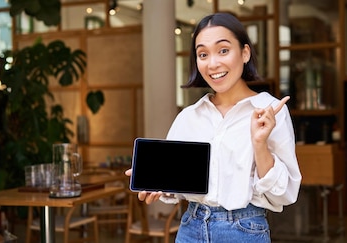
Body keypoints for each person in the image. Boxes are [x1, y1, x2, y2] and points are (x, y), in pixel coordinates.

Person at [125, 12, 301, 243]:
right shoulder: (189, 117)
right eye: (203, 54)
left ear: (245, 53)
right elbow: (179, 182)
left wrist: (260, 144)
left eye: (224, 50)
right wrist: (157, 184)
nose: (213, 63)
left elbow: (283, 194)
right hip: (191, 228)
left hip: (244, 230)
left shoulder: (269, 110)